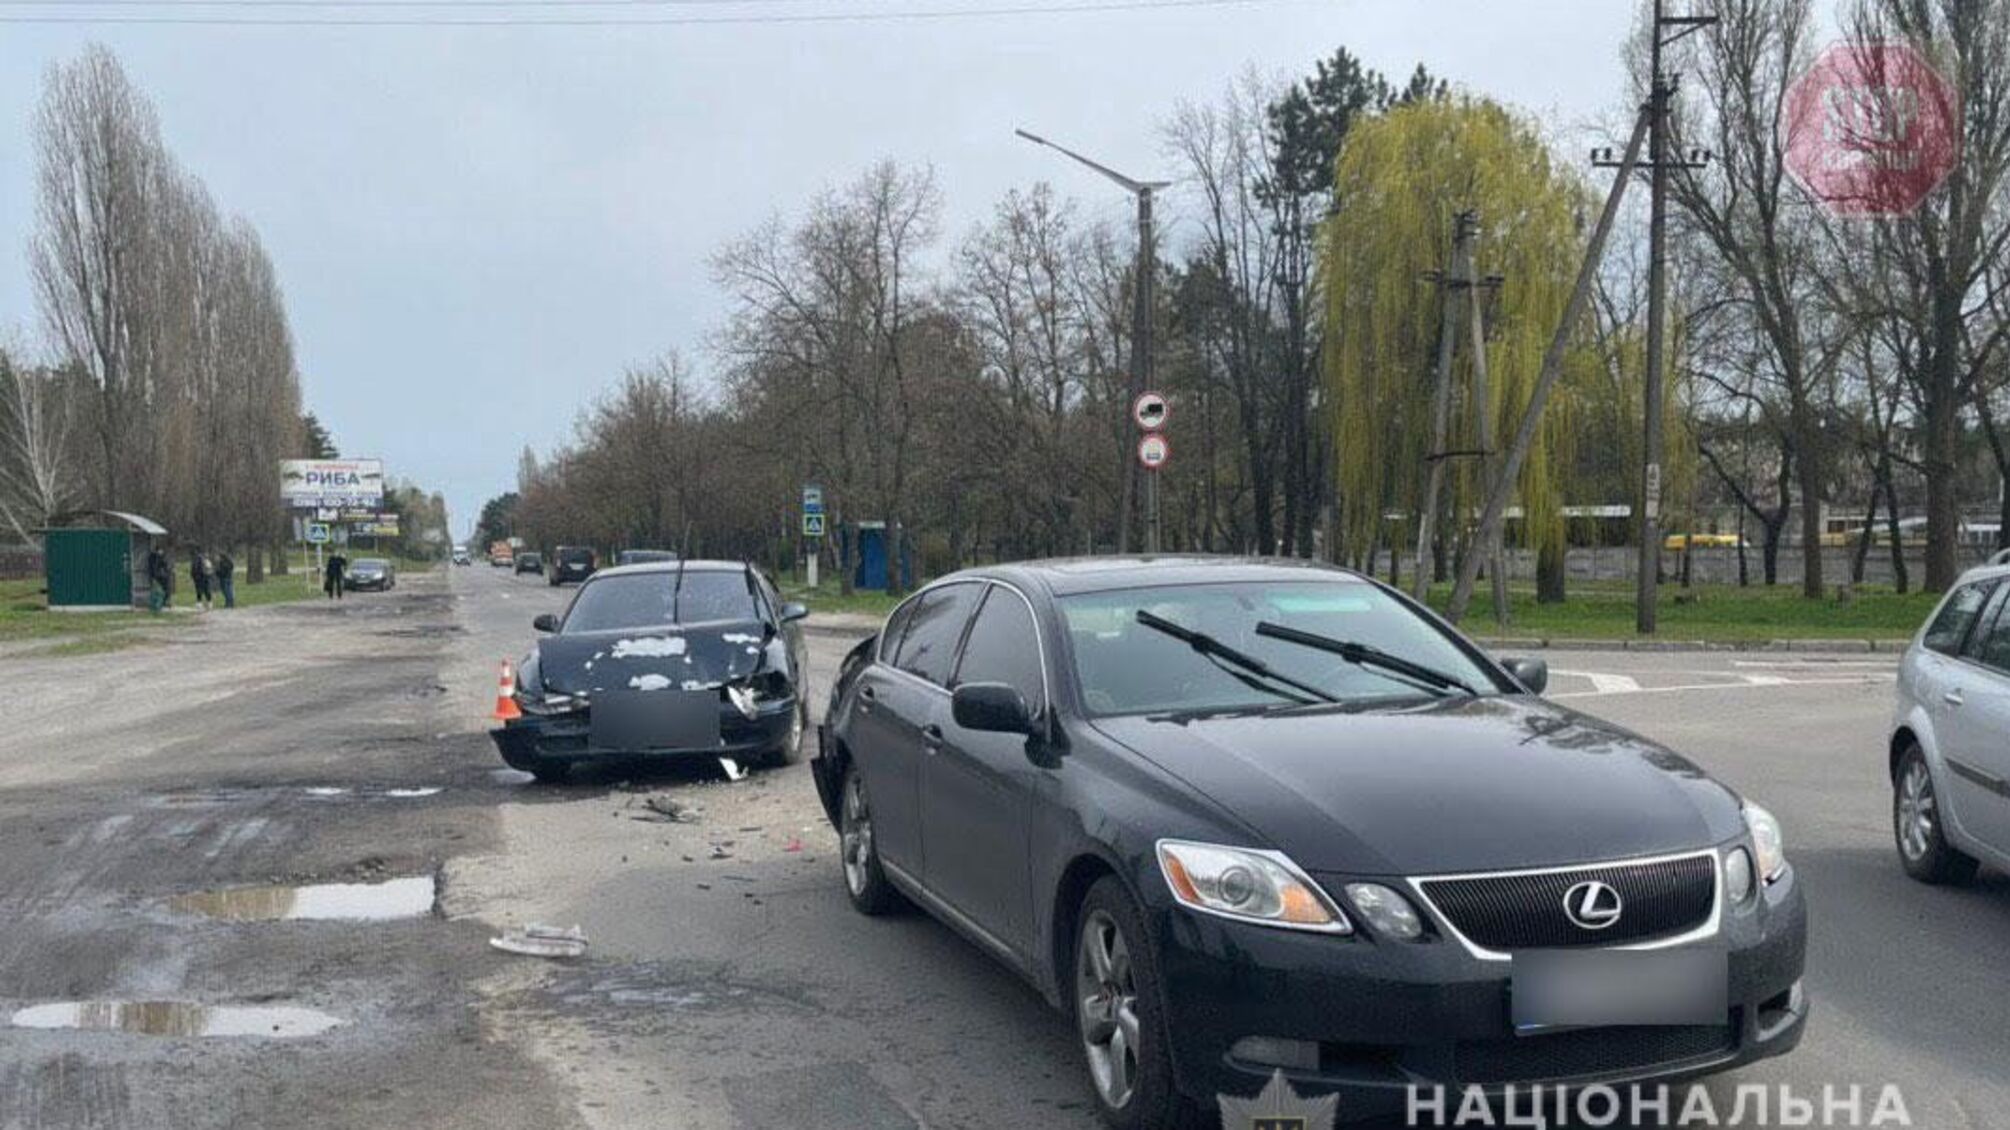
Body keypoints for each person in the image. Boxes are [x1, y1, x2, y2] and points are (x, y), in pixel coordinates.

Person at [146, 546, 173, 613]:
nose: (161, 552)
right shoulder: (156, 558)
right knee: (159, 593)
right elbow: (160, 566)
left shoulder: (155, 557)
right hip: (158, 577)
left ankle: (158, 605)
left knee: (158, 592)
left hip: (158, 577)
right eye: (160, 551)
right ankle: (157, 606)